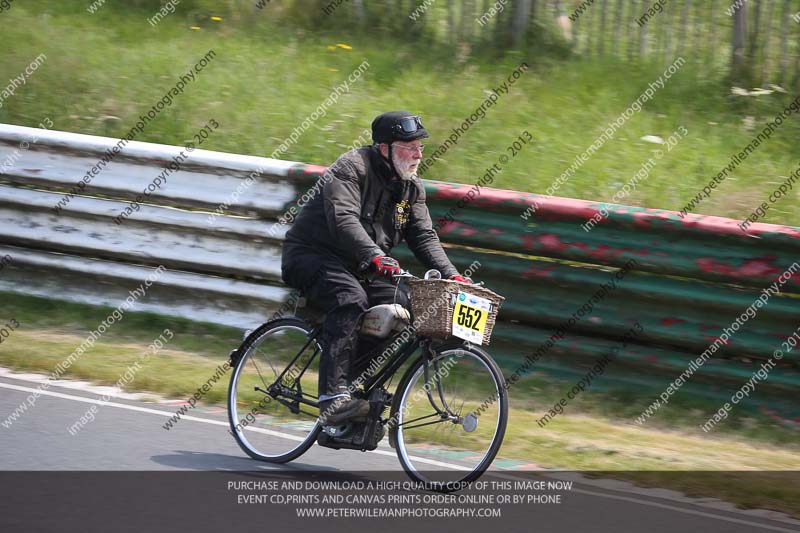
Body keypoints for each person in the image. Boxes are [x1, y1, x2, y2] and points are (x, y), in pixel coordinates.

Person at [281, 111, 472, 425]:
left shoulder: (411, 187)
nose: (419, 154)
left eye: (420, 147)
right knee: (349, 298)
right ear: (385, 148)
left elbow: (423, 235)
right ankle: (332, 398)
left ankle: (353, 389)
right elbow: (343, 220)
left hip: (361, 265)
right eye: (410, 147)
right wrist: (374, 255)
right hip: (311, 256)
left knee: (405, 306)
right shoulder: (351, 168)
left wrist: (451, 274)